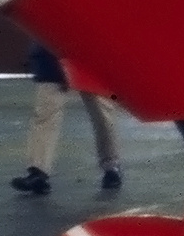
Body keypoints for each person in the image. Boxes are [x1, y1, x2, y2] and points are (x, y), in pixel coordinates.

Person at [11, 43, 122, 194]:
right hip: (50, 55)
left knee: (102, 114)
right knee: (44, 114)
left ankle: (111, 166)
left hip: (87, 54)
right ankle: (38, 172)